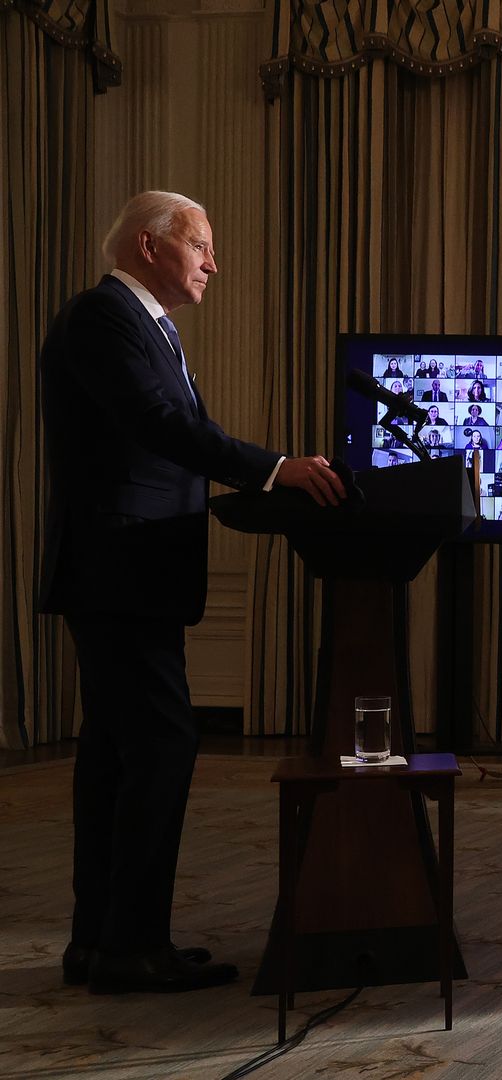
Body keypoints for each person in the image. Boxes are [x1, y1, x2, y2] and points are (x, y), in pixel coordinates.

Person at [38, 193, 347, 993]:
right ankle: (131, 948)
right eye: (201, 246)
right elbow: (158, 425)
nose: (214, 263)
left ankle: (100, 943)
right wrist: (274, 469)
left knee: (115, 754)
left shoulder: (148, 327)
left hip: (129, 573)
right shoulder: (102, 317)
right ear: (150, 246)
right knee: (161, 745)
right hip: (117, 571)